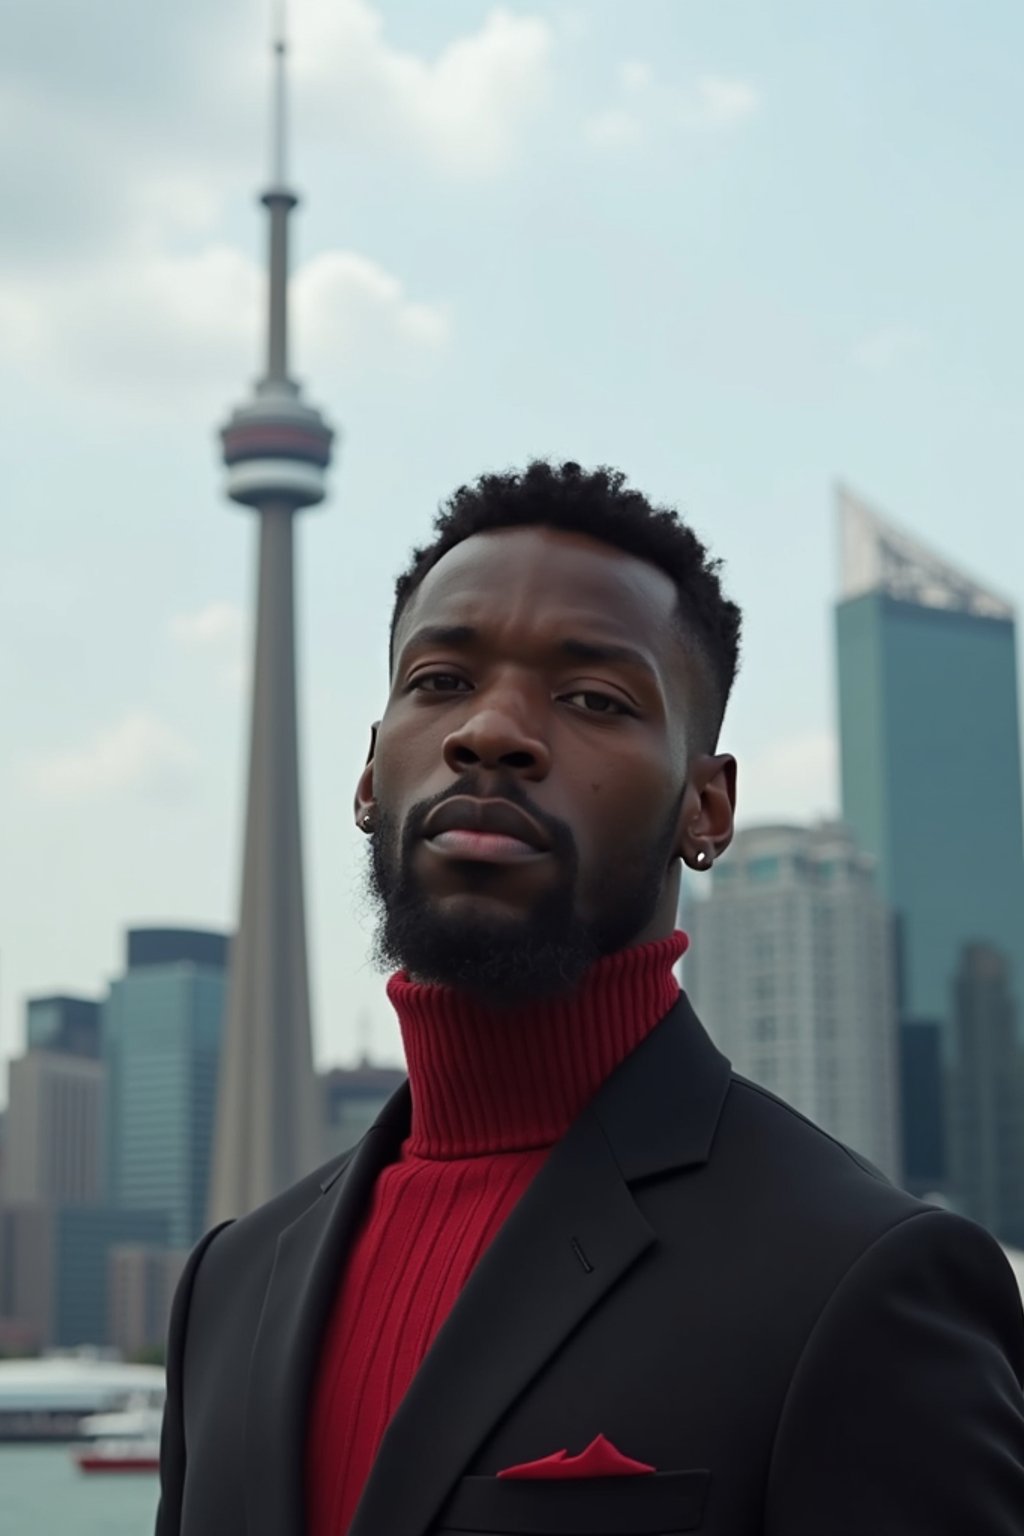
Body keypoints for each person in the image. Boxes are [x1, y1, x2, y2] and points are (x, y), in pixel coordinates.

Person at [156, 461, 1024, 1536]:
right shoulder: (231, 1286)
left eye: (592, 699)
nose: (492, 732)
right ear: (371, 771)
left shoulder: (854, 1280)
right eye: (438, 682)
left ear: (705, 806)